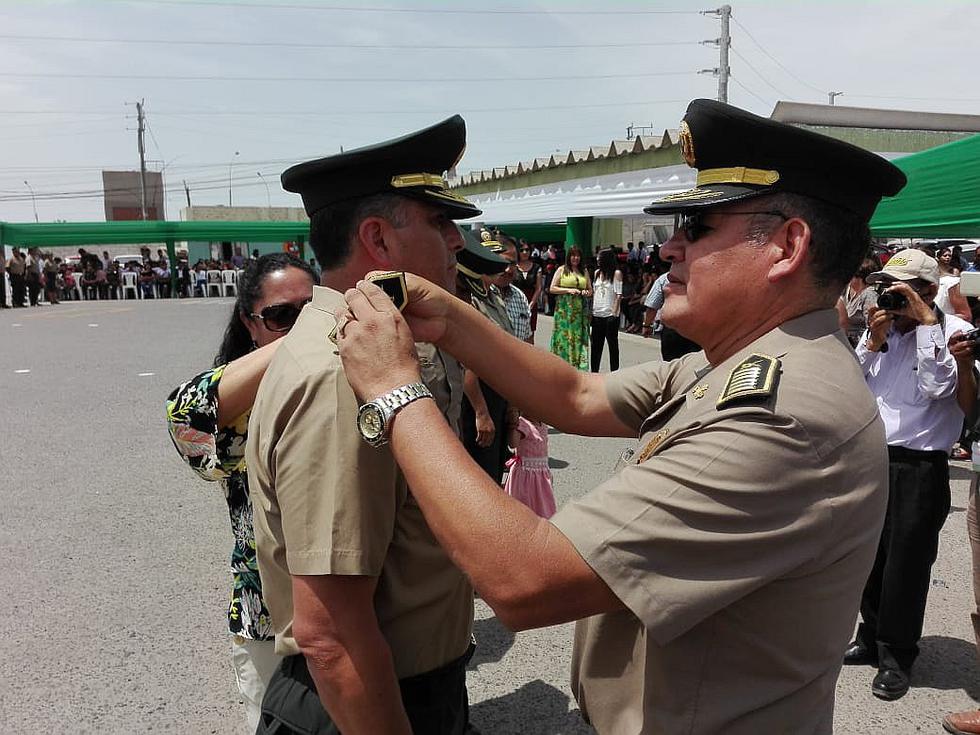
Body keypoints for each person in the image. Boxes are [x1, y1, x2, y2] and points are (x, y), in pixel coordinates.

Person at [335, 98, 907, 733]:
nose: (670, 250)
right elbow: (577, 395)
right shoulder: (741, 361)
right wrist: (448, 318)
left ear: (786, 247)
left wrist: (395, 392)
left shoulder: (783, 416)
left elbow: (523, 577)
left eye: (697, 226)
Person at [246, 116, 504, 734]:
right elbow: (331, 635)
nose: (457, 242)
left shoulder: (377, 346)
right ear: (378, 240)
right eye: (439, 222)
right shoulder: (344, 374)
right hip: (368, 704)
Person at [166, 254, 316, 735]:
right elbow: (186, 419)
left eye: (312, 309)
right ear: (251, 323)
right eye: (281, 316)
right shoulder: (240, 396)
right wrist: (306, 338)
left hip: (358, 599)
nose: (299, 324)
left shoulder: (347, 373)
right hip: (269, 610)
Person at [845, 249, 972, 701]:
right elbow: (850, 386)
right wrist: (872, 341)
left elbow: (937, 388)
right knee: (869, 556)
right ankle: (870, 634)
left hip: (918, 465)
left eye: (902, 290)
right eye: (886, 288)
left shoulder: (952, 333)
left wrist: (926, 324)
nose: (890, 298)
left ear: (930, 291)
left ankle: (897, 654)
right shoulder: (881, 330)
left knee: (907, 564)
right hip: (872, 458)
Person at [457, 229, 520, 484]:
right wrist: (481, 412)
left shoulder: (493, 296)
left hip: (498, 394)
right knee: (480, 475)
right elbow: (466, 361)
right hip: (478, 397)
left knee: (495, 471)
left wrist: (512, 403)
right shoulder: (467, 300)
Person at [502, 415, 555, 519]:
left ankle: (540, 521)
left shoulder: (543, 425)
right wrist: (513, 425)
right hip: (525, 474)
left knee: (542, 503)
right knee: (524, 502)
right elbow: (513, 444)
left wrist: (547, 472)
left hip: (541, 473)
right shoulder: (523, 423)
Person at [549, 246, 592, 370]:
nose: (576, 258)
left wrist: (586, 292)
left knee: (578, 336)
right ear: (569, 257)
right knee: (564, 335)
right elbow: (552, 288)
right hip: (564, 310)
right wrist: (568, 290)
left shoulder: (584, 271)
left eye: (578, 256)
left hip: (580, 311)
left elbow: (590, 290)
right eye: (573, 255)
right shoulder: (562, 270)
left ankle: (578, 365)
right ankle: (562, 365)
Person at [590, 247, 622, 372]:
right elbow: (594, 292)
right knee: (596, 346)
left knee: (612, 345)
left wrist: (614, 313)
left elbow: (618, 295)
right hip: (597, 314)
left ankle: (614, 372)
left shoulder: (616, 273)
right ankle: (594, 372)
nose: (598, 259)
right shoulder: (597, 273)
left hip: (610, 315)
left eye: (600, 257)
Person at [837, 257, 879, 347]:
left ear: (859, 278)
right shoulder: (848, 290)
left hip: (859, 343)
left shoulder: (869, 295)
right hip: (845, 338)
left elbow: (871, 324)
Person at [512, 241, 543, 342]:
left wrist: (531, 305)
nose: (525, 252)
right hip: (514, 301)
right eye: (522, 250)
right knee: (514, 331)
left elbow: (538, 288)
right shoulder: (513, 266)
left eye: (527, 250)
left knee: (530, 333)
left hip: (531, 302)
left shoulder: (536, 267)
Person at [936, 245, 972, 321]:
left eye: (949, 256)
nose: (947, 257)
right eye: (945, 256)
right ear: (938, 257)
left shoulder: (954, 271)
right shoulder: (934, 270)